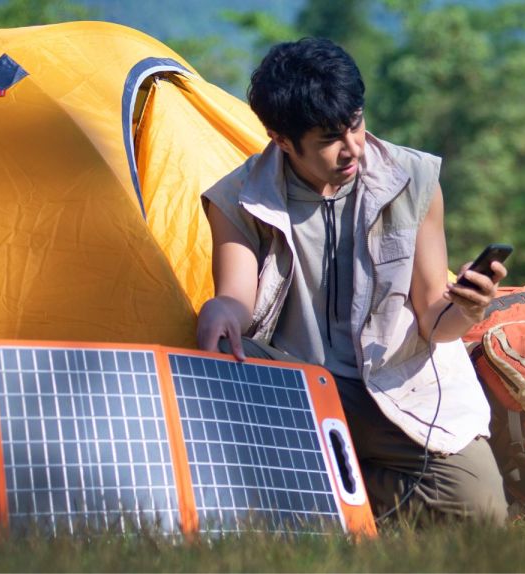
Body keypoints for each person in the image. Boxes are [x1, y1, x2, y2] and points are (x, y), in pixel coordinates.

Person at [195, 37, 508, 525]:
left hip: (397, 384)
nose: (352, 149)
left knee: (479, 511)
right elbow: (236, 298)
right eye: (328, 140)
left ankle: (332, 487)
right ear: (281, 138)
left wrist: (465, 308)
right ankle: (326, 484)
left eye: (356, 125)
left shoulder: (416, 179)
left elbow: (433, 319)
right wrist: (219, 310)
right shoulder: (236, 198)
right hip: (298, 392)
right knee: (219, 354)